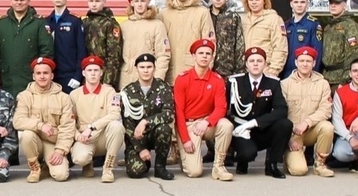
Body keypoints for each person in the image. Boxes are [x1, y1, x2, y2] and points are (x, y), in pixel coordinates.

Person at [173, 39, 235, 181]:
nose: (204, 56)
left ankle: (218, 166)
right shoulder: (182, 79)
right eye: (200, 53)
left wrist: (207, 121)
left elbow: (221, 108)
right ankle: (187, 158)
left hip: (206, 123)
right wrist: (186, 139)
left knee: (226, 125)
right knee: (195, 172)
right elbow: (178, 112)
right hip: (188, 125)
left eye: (208, 53)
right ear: (194, 56)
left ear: (212, 56)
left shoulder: (217, 80)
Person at [225, 46, 290, 178]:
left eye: (259, 61)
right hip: (240, 129)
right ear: (246, 64)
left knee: (285, 124)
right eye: (252, 61)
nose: (255, 64)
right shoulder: (234, 82)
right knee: (248, 153)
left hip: (261, 127)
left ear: (265, 64)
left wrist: (255, 123)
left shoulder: (273, 83)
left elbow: (281, 110)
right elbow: (225, 107)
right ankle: (242, 160)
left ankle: (272, 164)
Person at [12, 56, 76, 183]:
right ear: (33, 76)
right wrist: (40, 125)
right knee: (27, 135)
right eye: (38, 73)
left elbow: (68, 127)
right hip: (34, 140)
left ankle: (47, 164)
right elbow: (18, 121)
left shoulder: (64, 98)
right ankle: (34, 168)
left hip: (53, 142)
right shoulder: (24, 96)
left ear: (52, 76)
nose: (42, 76)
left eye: (45, 73)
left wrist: (60, 151)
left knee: (61, 175)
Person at [0, 0, 53, 97]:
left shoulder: (39, 23)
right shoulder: (1, 24)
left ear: (29, 0)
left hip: (31, 82)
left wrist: (38, 75)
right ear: (10, 0)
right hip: (6, 81)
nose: (19, 2)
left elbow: (46, 52)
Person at [281, 45, 335, 177]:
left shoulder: (322, 84)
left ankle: (320, 164)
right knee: (299, 171)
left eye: (308, 61)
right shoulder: (285, 84)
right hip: (292, 134)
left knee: (327, 127)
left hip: (311, 129)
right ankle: (287, 158)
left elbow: (326, 110)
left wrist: (307, 122)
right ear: (296, 62)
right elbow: (280, 113)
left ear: (314, 63)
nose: (305, 64)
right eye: (302, 61)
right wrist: (288, 138)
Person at [69, 55, 124, 183]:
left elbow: (115, 114)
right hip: (85, 137)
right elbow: (69, 121)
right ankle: (87, 164)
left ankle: (108, 168)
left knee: (117, 127)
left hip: (103, 135)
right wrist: (77, 136)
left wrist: (91, 127)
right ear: (83, 73)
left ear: (101, 73)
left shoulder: (110, 92)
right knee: (80, 158)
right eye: (89, 70)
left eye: (96, 70)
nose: (93, 74)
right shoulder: (74, 94)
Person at [120, 53, 175, 180]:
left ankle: (160, 167)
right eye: (142, 67)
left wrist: (146, 121)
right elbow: (127, 125)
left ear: (154, 68)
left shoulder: (163, 88)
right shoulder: (128, 92)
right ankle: (144, 161)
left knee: (165, 129)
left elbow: (169, 114)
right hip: (136, 137)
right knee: (136, 172)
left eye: (149, 67)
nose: (146, 70)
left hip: (155, 133)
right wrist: (140, 149)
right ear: (136, 69)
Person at [160, 0, 213, 84]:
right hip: (170, 71)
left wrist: (206, 69)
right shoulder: (164, 13)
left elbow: (209, 43)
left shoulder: (202, 12)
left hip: (193, 70)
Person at [119, 0, 170, 89]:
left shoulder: (157, 25)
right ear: (131, 3)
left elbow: (163, 55)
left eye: (142, 1)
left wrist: (158, 79)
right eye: (136, 1)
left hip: (148, 80)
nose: (139, 4)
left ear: (148, 2)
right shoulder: (124, 26)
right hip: (125, 80)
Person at [80, 0, 124, 91]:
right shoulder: (84, 23)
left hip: (103, 77)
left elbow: (114, 55)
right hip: (85, 76)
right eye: (91, 1)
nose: (94, 4)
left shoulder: (110, 24)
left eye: (97, 1)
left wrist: (108, 81)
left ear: (104, 1)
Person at [46, 0, 87, 92]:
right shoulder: (46, 21)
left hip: (69, 75)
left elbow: (81, 51)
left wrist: (78, 75)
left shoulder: (74, 21)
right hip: (50, 75)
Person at [240, 0, 287, 77]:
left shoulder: (274, 19)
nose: (254, 3)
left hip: (266, 71)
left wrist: (273, 71)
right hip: (245, 71)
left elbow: (280, 47)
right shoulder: (243, 19)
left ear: (264, 0)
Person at [320, 0, 358, 89]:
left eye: (337, 3)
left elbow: (353, 54)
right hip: (326, 78)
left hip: (340, 79)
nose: (333, 5)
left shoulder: (350, 26)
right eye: (331, 2)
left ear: (344, 5)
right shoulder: (328, 27)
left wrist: (345, 80)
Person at [282, 0, 324, 78]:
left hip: (305, 73)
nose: (299, 5)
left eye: (302, 2)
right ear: (291, 4)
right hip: (286, 73)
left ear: (307, 4)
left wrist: (313, 74)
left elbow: (317, 51)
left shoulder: (313, 24)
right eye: (296, 2)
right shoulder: (287, 25)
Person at [207, 0, 244, 79]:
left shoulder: (233, 17)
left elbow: (239, 43)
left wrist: (239, 69)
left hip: (227, 68)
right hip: (207, 66)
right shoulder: (205, 15)